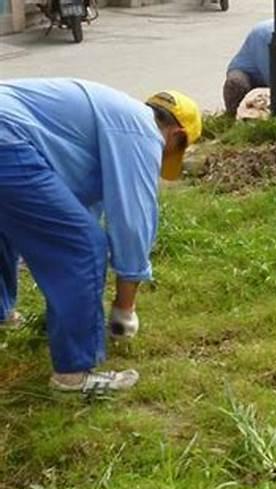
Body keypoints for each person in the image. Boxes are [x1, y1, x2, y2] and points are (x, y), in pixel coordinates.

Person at [0, 78, 202, 392]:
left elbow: (79, 208)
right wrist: (125, 307)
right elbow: (132, 221)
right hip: (6, 139)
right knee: (82, 248)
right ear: (176, 135)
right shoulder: (143, 131)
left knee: (8, 220)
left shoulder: (107, 118)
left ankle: (2, 315)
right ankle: (74, 374)